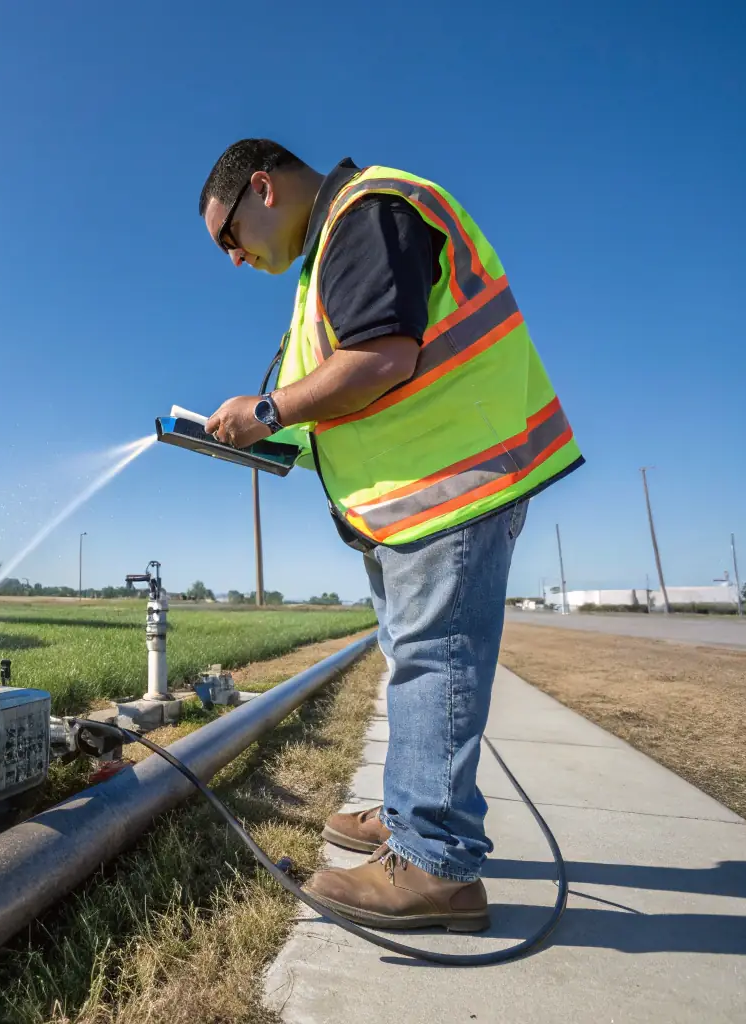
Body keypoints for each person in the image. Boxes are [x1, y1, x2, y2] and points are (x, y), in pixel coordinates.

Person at [198, 141, 582, 931]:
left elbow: (380, 358)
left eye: (228, 239)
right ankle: (413, 811)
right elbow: (351, 397)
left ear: (261, 189)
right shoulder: (333, 246)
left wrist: (266, 410)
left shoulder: (364, 212)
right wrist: (270, 433)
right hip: (420, 494)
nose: (235, 260)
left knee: (433, 661)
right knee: (415, 657)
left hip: (453, 483)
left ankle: (435, 864)